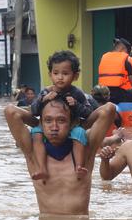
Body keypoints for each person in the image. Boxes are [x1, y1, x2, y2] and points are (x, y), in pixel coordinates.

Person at [4, 100, 116, 215]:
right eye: (48, 120)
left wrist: (79, 125)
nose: (54, 127)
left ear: (70, 124)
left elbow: (108, 109)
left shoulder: (85, 152)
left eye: (61, 120)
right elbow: (11, 111)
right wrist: (39, 124)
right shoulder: (33, 153)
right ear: (42, 124)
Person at [30, 51, 95, 180]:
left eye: (65, 74)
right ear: (50, 75)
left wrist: (76, 104)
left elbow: (89, 113)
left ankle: (79, 166)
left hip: (71, 129)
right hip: (49, 130)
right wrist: (44, 100)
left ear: (75, 76)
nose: (60, 77)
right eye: (56, 73)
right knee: (36, 132)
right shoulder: (46, 92)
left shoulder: (77, 93)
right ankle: (42, 168)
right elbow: (33, 110)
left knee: (80, 133)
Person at [97, 38, 132, 104]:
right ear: (123, 48)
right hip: (117, 95)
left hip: (102, 92)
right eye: (127, 52)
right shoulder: (125, 60)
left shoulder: (104, 57)